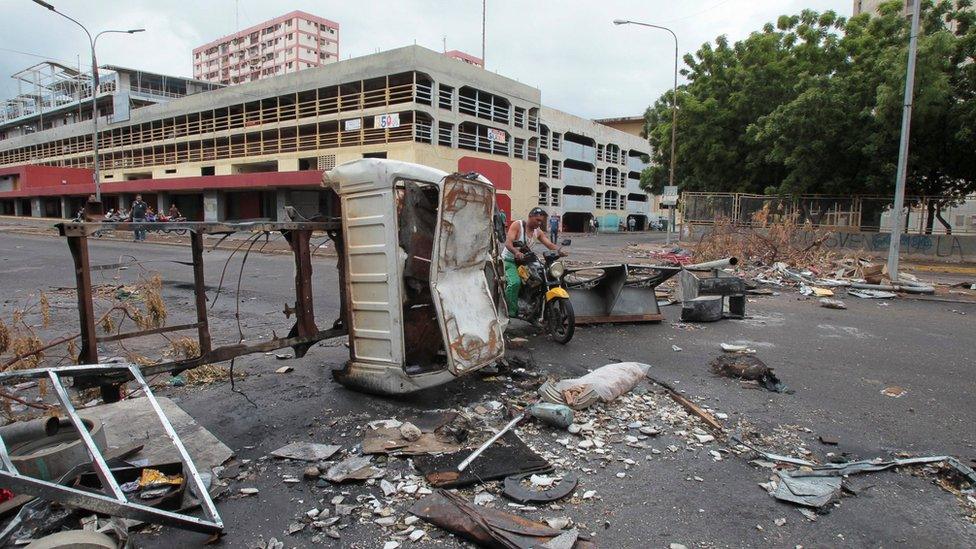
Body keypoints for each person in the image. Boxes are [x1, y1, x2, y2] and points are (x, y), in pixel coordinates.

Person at [502, 207, 564, 318]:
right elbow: (508, 243)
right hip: (509, 260)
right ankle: (510, 311)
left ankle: (532, 305)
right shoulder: (518, 225)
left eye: (541, 221)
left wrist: (559, 250)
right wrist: (516, 252)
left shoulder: (537, 232)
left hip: (525, 262)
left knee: (539, 278)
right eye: (537, 220)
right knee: (515, 283)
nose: (539, 223)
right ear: (530, 216)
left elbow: (549, 244)